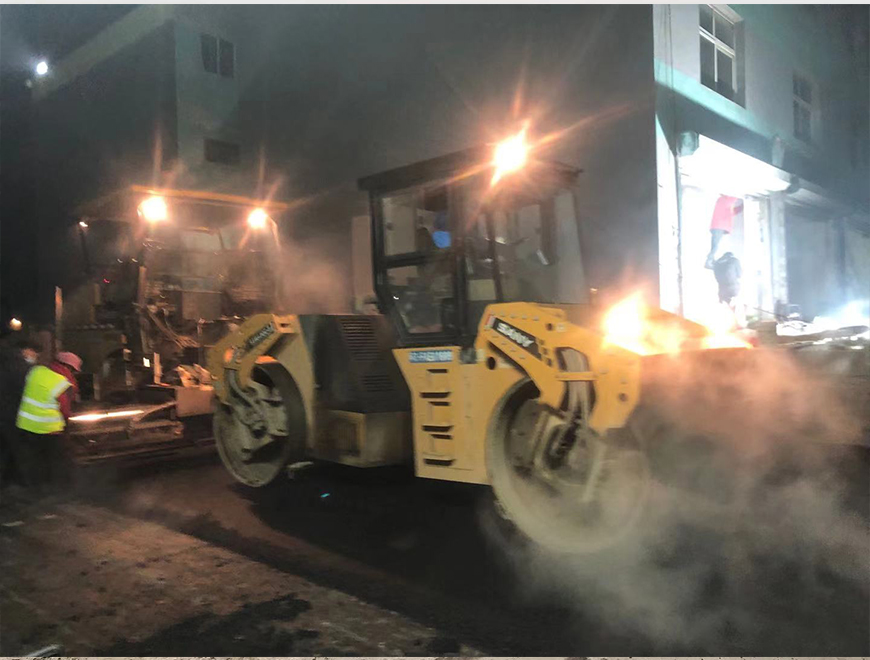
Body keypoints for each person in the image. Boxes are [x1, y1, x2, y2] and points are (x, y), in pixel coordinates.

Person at [14, 350, 81, 494]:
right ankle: (60, 491)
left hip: (26, 425)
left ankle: (34, 489)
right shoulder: (62, 382)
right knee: (59, 460)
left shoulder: (36, 371)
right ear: (69, 367)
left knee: (35, 460)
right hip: (49, 428)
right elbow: (65, 409)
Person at [0, 336, 40, 492]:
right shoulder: (22, 368)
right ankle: (25, 485)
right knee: (20, 450)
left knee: (5, 451)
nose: (35, 356)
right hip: (16, 415)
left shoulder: (5, 364)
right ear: (26, 351)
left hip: (5, 415)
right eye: (34, 352)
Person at [705, 195, 743, 269]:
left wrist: (739, 208)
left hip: (719, 226)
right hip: (718, 226)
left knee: (716, 245)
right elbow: (731, 201)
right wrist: (737, 196)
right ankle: (709, 261)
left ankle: (710, 260)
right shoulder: (723, 200)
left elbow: (730, 213)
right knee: (715, 246)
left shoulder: (723, 201)